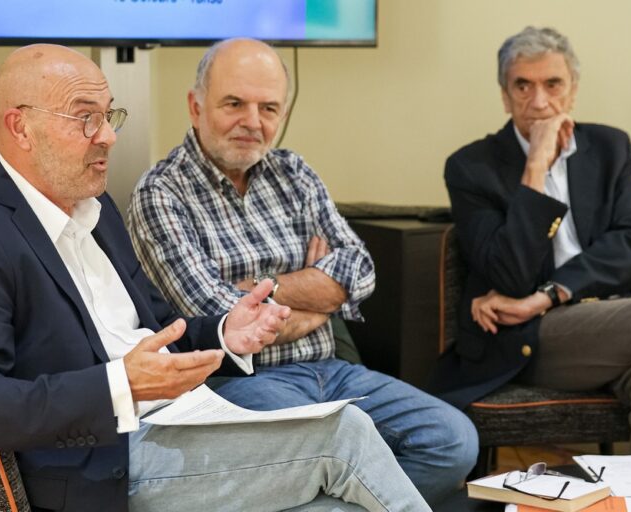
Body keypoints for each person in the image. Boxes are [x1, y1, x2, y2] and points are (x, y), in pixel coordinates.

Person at [0, 44, 433, 512]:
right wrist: (121, 385)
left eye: (109, 115)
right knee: (344, 434)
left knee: (338, 506)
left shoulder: (98, 212)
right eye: (85, 119)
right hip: (102, 461)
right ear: (20, 127)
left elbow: (163, 325)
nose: (110, 136)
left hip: (184, 417)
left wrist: (227, 332)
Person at [127, 38, 478, 505]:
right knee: (326, 453)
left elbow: (360, 268)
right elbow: (225, 322)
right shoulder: (160, 194)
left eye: (268, 108)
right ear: (195, 106)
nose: (253, 122)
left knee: (453, 442)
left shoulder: (293, 172)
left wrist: (259, 293)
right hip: (240, 383)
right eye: (234, 103)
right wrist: (321, 295)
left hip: (332, 370)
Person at [431, 26, 631, 453]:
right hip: (535, 339)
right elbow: (511, 275)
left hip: (619, 322)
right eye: (523, 85)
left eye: (552, 84)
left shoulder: (611, 147)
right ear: (504, 95)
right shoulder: (470, 167)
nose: (539, 102)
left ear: (572, 90)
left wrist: (549, 294)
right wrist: (535, 166)